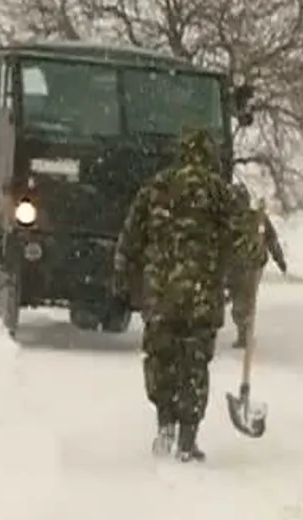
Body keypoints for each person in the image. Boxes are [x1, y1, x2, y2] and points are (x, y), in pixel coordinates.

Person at [113, 127, 264, 462]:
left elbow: (130, 238)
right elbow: (243, 246)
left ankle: (164, 424)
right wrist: (256, 250)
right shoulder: (218, 192)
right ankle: (187, 439)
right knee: (194, 363)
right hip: (201, 295)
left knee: (161, 358)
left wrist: (123, 277)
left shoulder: (156, 187)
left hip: (160, 294)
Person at [226, 183, 287, 348]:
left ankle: (244, 333)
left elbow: (271, 239)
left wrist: (279, 259)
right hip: (233, 267)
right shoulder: (226, 220)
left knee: (244, 300)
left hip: (252, 267)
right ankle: (243, 326)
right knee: (237, 297)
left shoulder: (257, 218)